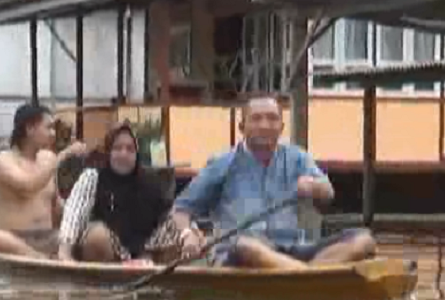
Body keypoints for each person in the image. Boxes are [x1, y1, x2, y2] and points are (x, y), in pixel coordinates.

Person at [171, 95, 376, 269]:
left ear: (281, 126)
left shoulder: (297, 158)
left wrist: (315, 188)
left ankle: (301, 275)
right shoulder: (222, 163)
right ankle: (310, 276)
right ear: (242, 126)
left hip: (293, 250)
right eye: (256, 119)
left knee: (363, 240)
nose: (265, 125)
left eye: (272, 119)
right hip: (243, 254)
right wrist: (188, 234)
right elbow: (181, 210)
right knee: (246, 246)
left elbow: (328, 193)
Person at [57, 121, 181, 265]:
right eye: (117, 148)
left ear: (136, 153)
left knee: (179, 228)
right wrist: (65, 252)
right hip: (109, 253)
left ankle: (158, 277)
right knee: (97, 235)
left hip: (146, 255)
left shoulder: (150, 182)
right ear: (108, 152)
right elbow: (73, 214)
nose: (124, 154)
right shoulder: (93, 177)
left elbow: (168, 215)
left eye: (130, 149)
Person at [0, 103, 87, 257]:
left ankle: (58, 257)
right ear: (29, 129)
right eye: (48, 128)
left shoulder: (48, 158)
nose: (53, 133)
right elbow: (28, 186)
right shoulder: (3, 160)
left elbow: (56, 206)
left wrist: (80, 211)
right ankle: (38, 257)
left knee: (89, 236)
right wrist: (64, 155)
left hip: (48, 237)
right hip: (14, 239)